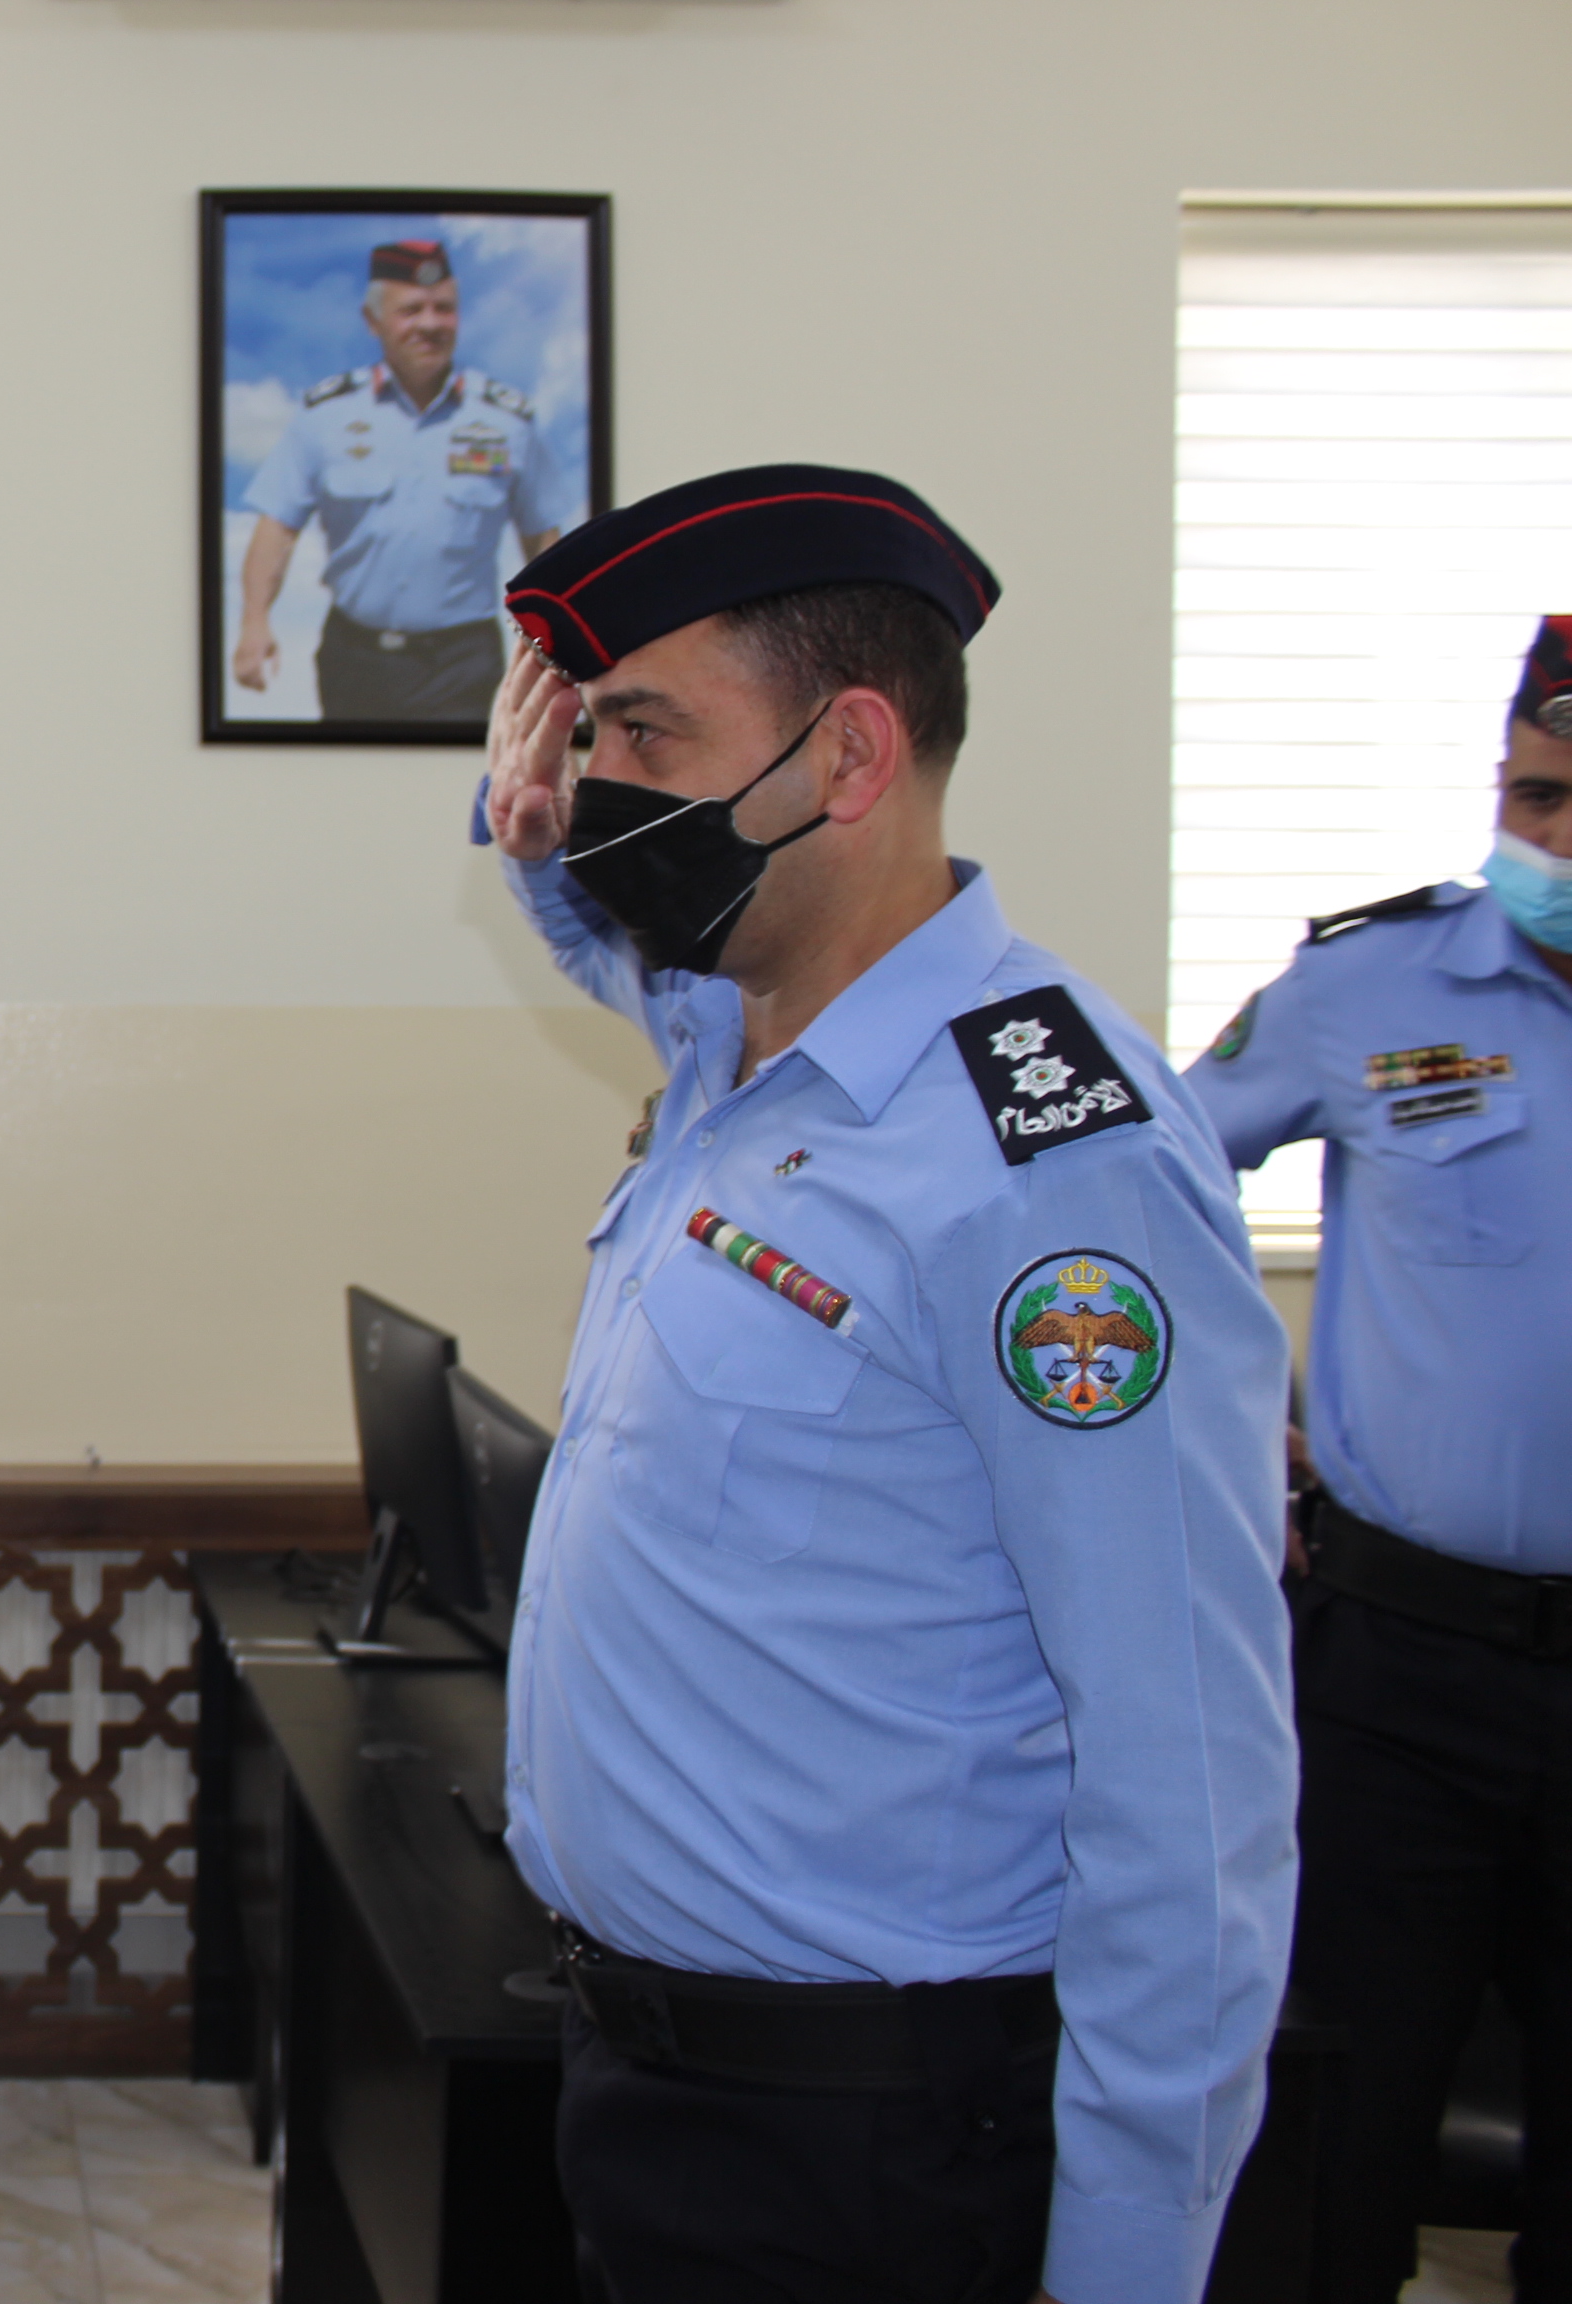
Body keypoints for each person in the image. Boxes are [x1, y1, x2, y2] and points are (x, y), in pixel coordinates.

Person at [478, 467, 1297, 2303]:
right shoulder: (740, 1039)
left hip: (868, 2143)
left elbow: (1187, 1780)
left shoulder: (1049, 1165)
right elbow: (601, 931)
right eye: (593, 738)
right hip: (661, 2087)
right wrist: (536, 835)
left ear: (847, 755)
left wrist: (1126, 2265)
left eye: (645, 734)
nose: (604, 786)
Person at [1181, 612, 1572, 2303]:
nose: (1556, 840)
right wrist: (1213, 1413)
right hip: (1401, 1675)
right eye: (1536, 797)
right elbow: (1149, 1179)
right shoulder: (1366, 987)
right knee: (1336, 2136)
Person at [232, 238, 570, 722]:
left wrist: (555, 642)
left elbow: (542, 538)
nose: (429, 324)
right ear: (373, 320)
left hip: (464, 662)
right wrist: (254, 622)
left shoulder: (505, 420)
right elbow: (277, 527)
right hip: (355, 657)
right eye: (411, 310)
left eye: (443, 308)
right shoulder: (325, 416)